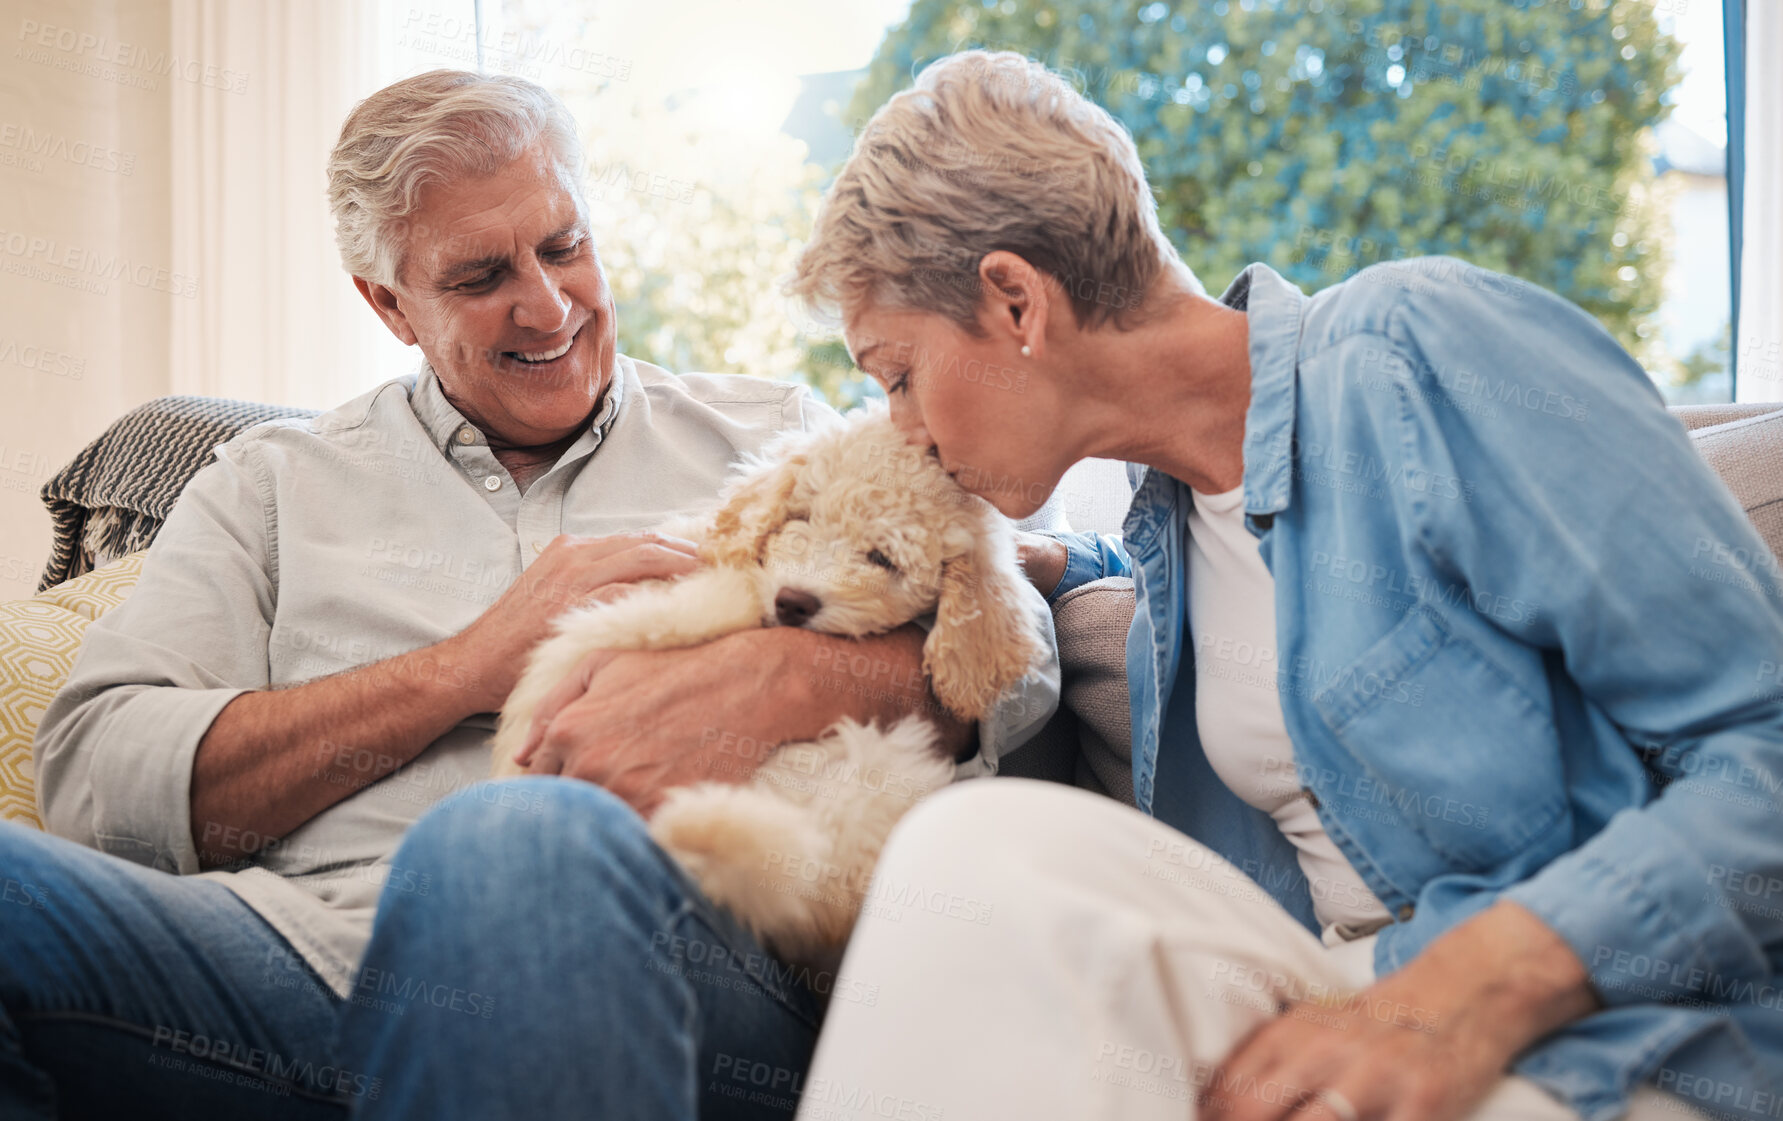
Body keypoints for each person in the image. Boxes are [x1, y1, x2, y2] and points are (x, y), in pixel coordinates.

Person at [5, 69, 1063, 1120]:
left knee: (514, 839)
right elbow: (97, 769)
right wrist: (466, 665)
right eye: (479, 276)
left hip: (681, 960)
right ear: (389, 305)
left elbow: (1012, 641)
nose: (550, 303)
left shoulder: (775, 434)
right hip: (293, 965)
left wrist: (788, 679)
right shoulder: (268, 482)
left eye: (563, 245)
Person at [784, 50, 1780, 1121]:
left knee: (972, 851)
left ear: (1016, 300)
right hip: (1329, 1002)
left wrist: (1476, 986)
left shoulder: (1421, 351)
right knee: (977, 861)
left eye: (896, 375)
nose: (904, 431)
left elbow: (1760, 744)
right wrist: (1058, 569)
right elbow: (1275, 588)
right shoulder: (1162, 522)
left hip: (1601, 1036)